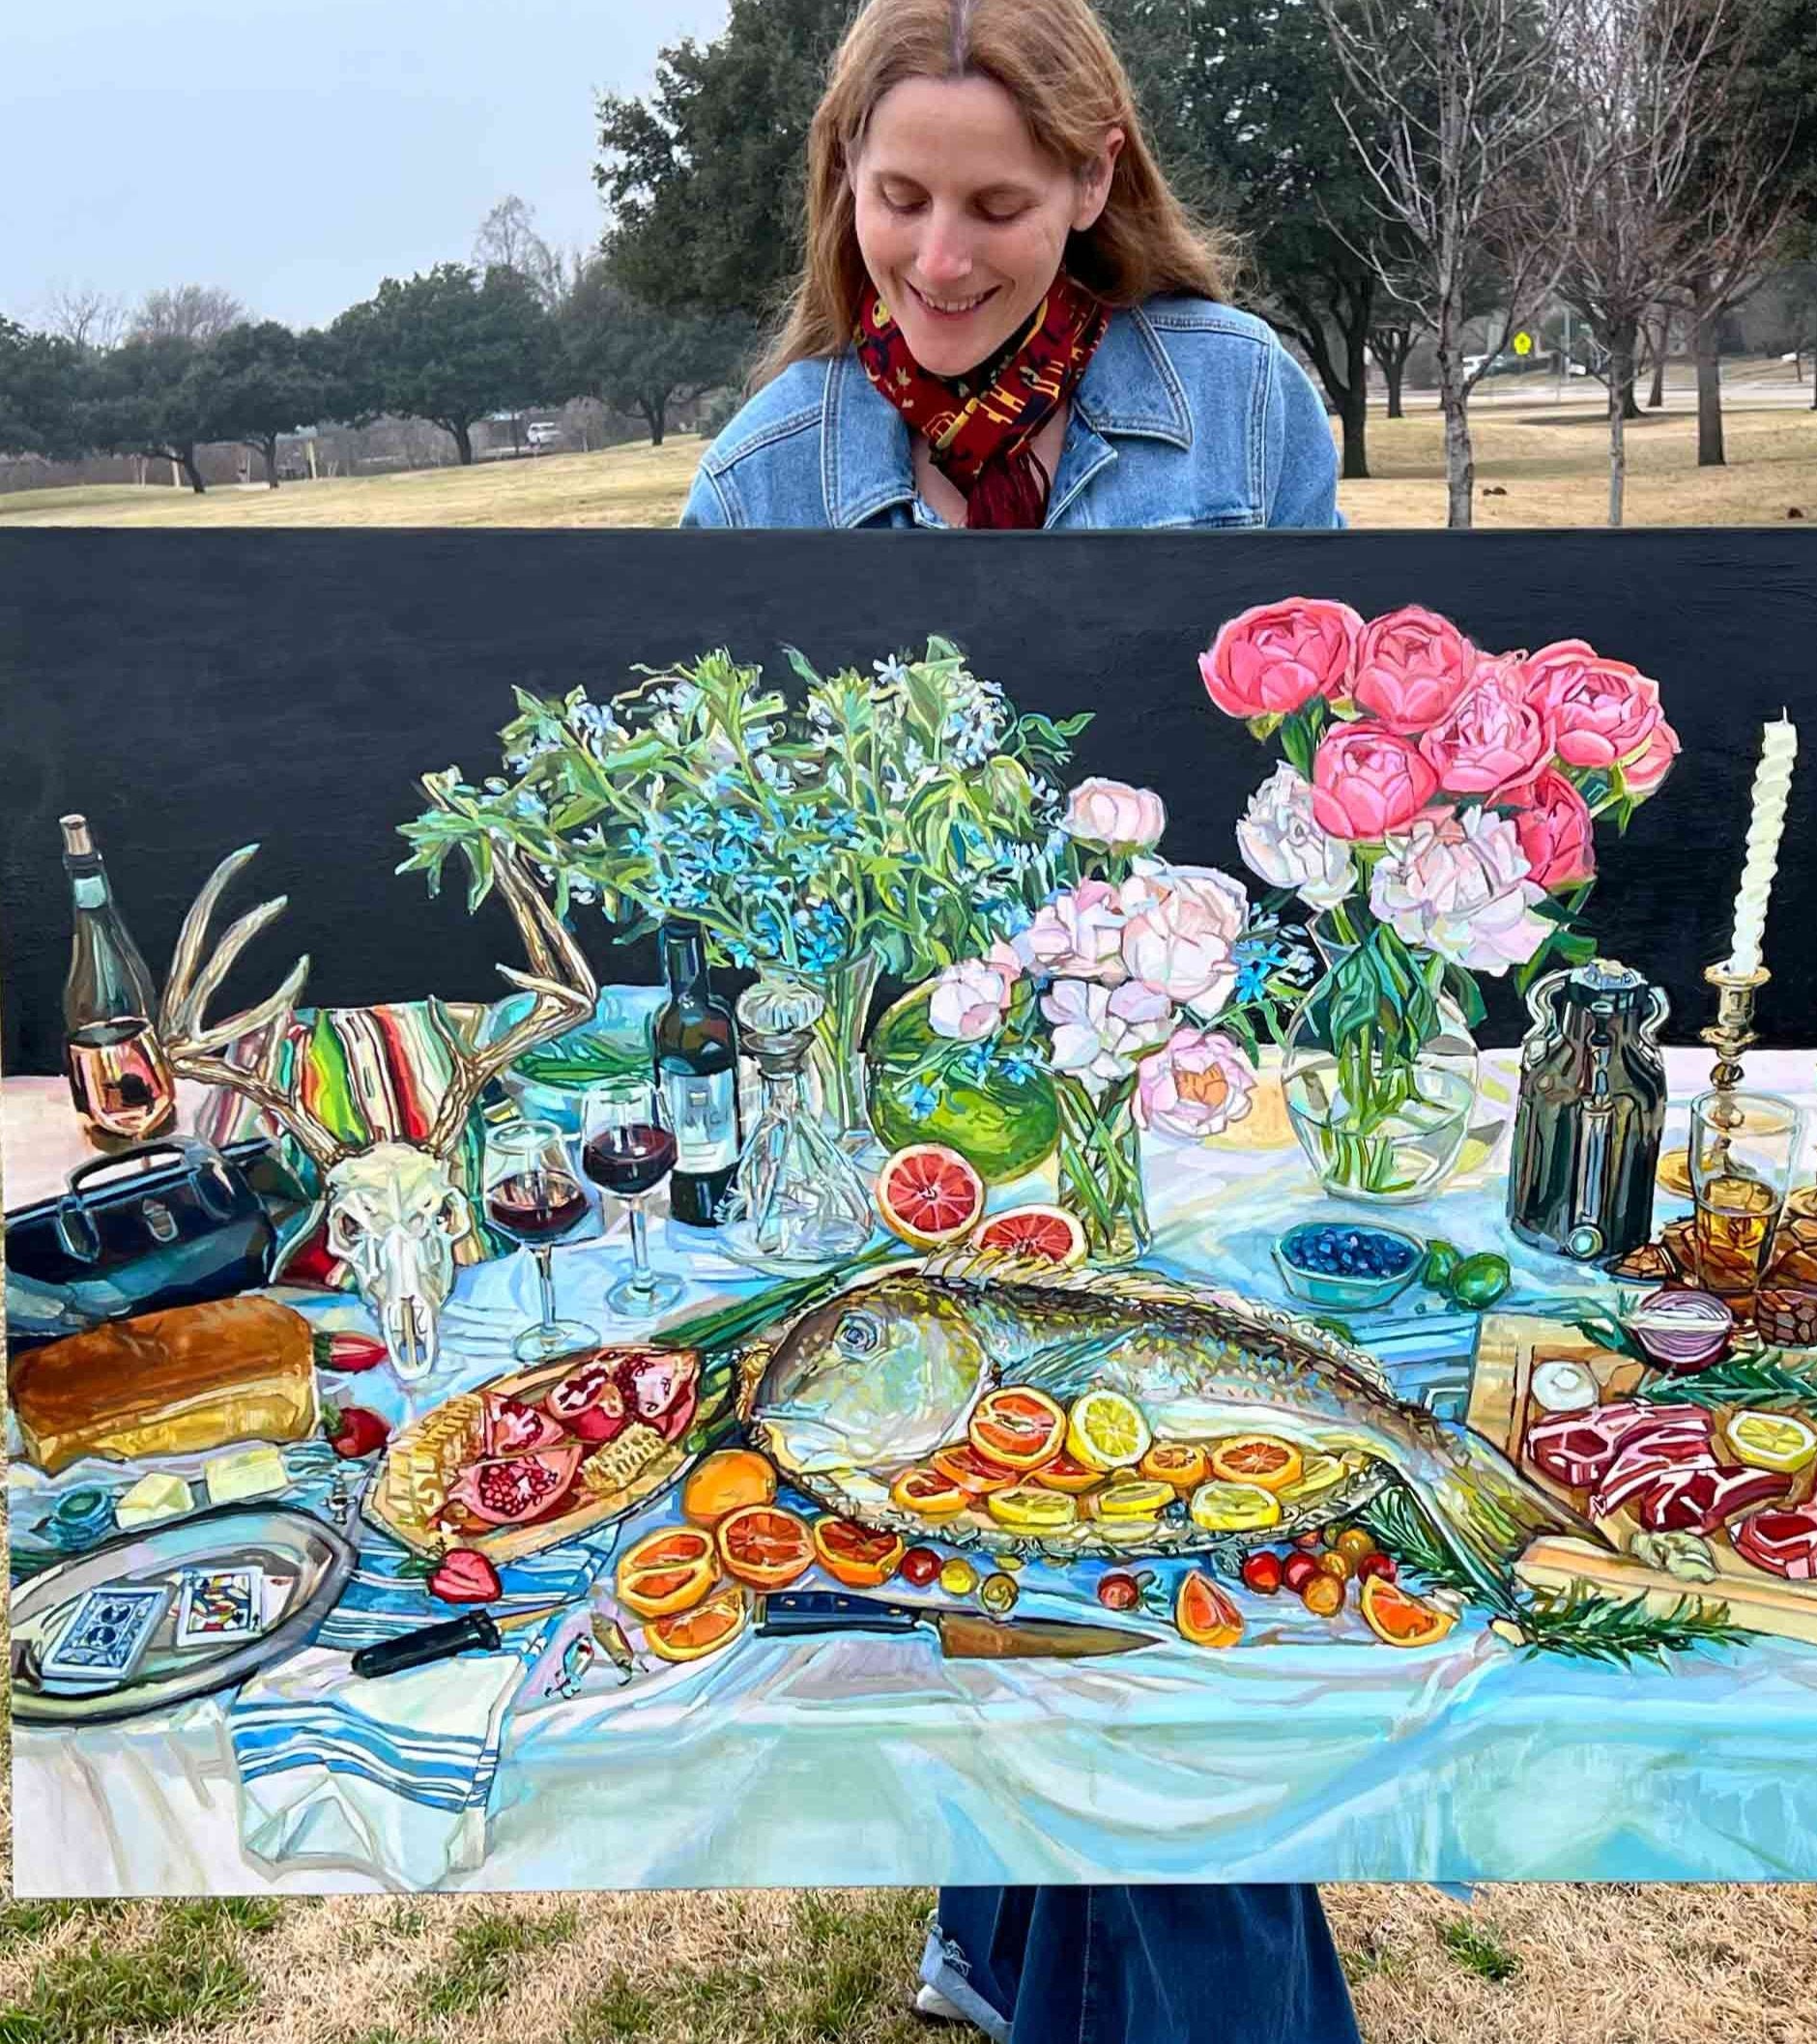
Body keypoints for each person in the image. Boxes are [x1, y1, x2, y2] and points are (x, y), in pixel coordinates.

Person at [680, 4, 1358, 2040]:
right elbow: (738, 871)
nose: (944, 258)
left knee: (1151, 1562)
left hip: (1196, 1078)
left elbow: (1324, 771)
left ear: (1093, 179)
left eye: (998, 203)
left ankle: (1015, 1936)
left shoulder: (1243, 408)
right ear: (842, 190)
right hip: (930, 1104)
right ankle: (1019, 1928)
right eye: (899, 200)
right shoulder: (763, 469)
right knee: (1027, 1504)